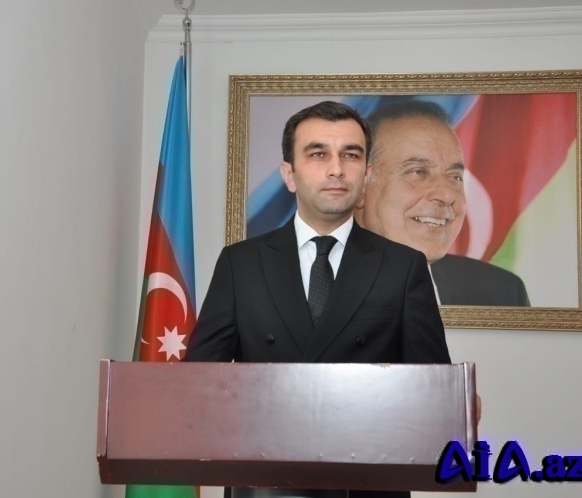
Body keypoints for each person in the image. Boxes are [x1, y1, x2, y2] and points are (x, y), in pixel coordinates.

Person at [184, 101, 451, 498]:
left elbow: (434, 388)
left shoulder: (404, 266)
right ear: (289, 175)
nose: (336, 169)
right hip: (263, 484)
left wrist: (454, 404)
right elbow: (198, 382)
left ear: (367, 174)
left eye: (351, 155)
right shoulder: (241, 263)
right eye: (318, 154)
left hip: (367, 484)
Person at [355, 101, 530, 307]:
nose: (447, 194)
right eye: (418, 172)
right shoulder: (321, 289)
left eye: (455, 177)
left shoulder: (503, 293)